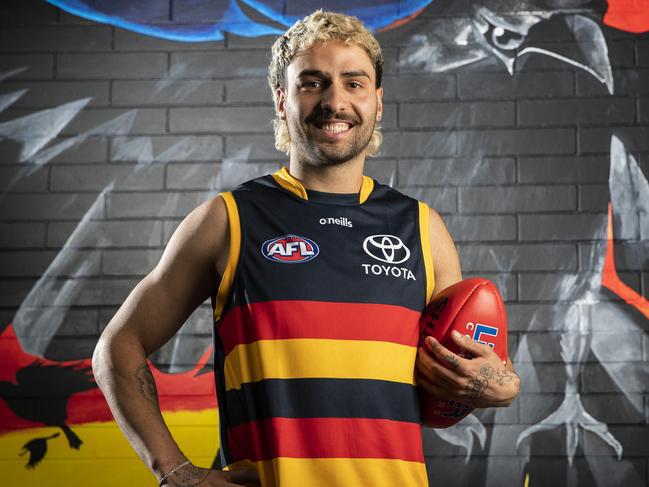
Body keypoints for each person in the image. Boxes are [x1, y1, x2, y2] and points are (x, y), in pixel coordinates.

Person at [92, 10, 520, 487]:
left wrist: (497, 384)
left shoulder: (423, 228)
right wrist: (176, 473)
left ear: (378, 102)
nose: (334, 101)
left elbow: (457, 369)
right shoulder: (228, 220)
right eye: (312, 83)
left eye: (354, 83)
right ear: (282, 100)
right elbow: (117, 347)